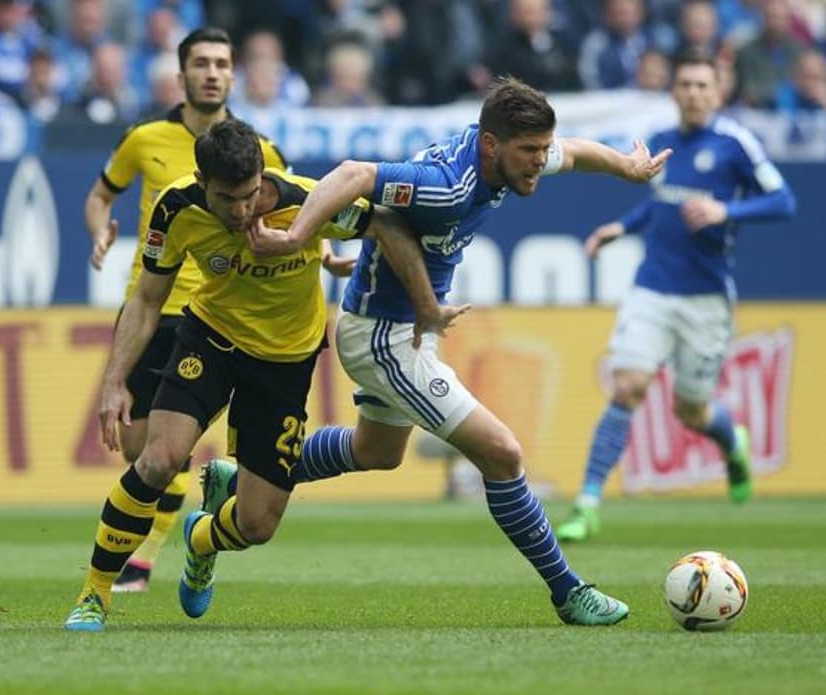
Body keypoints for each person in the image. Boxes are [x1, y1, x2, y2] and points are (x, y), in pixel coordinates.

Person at [240, 76, 671, 626]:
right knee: (503, 453)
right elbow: (353, 174)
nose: (541, 162)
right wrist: (300, 234)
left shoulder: (505, 152)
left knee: (376, 452)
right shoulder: (447, 185)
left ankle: (256, 471)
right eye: (531, 153)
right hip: (382, 336)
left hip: (398, 329)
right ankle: (569, 591)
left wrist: (625, 167)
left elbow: (577, 152)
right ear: (493, 145)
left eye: (543, 150)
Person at [64, 118, 452, 632]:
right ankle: (94, 594)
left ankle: (201, 539)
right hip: (210, 339)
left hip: (284, 362)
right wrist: (115, 381)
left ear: (262, 176)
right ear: (202, 183)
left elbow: (386, 225)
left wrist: (425, 305)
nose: (242, 210)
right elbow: (148, 299)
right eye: (227, 199)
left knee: (257, 525)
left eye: (249, 195)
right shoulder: (177, 207)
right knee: (158, 459)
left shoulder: (306, 200)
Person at [84, 26, 351, 594]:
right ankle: (106, 585)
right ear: (180, 73)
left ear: (232, 73)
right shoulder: (149, 144)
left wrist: (325, 254)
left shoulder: (268, 159)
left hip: (270, 336)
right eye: (200, 63)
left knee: (249, 516)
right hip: (186, 314)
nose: (211, 73)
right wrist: (98, 232)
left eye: (221, 63)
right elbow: (103, 197)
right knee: (148, 455)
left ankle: (185, 541)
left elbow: (321, 213)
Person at [554, 53, 797, 543]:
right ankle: (588, 503)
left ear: (718, 92)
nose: (692, 92)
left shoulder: (734, 145)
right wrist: (621, 227)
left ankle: (732, 443)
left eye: (702, 85)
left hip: (705, 299)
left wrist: (724, 210)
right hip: (652, 288)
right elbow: (659, 203)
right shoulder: (662, 143)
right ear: (674, 91)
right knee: (627, 388)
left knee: (692, 411)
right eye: (685, 83)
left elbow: (784, 201)